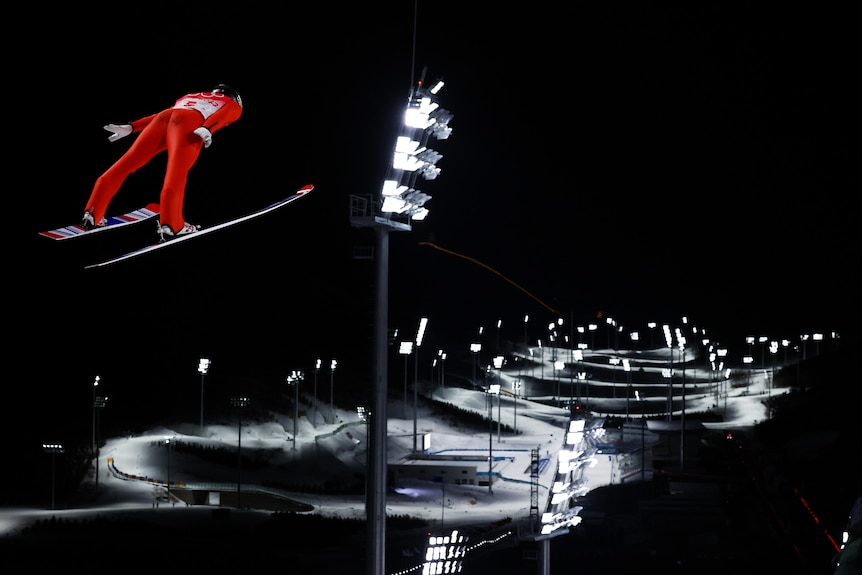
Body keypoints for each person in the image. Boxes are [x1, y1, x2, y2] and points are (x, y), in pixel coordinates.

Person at [81, 84, 243, 240]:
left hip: (164, 118)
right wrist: (208, 128)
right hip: (190, 123)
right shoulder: (231, 103)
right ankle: (172, 225)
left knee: (126, 164)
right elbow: (228, 113)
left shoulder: (192, 95)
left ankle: (93, 213)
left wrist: (132, 127)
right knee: (177, 173)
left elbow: (168, 113)